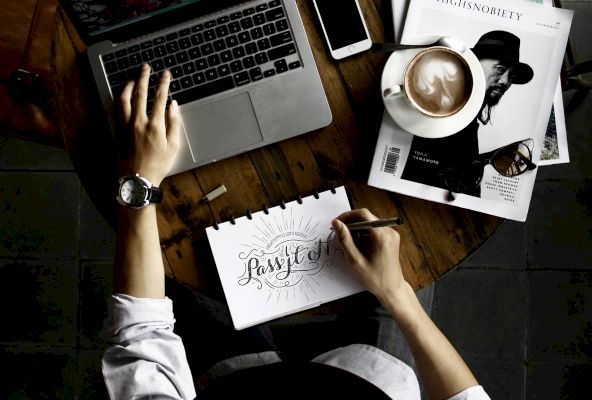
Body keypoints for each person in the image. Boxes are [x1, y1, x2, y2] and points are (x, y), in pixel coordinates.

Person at [101, 63, 492, 399]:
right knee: (410, 238)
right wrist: (395, 292)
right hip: (375, 375)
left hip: (236, 379)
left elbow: (141, 334)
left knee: (185, 276)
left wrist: (140, 180)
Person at [401, 30, 534, 198]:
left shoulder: (469, 123)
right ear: (474, 64)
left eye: (512, 75)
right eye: (500, 69)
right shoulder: (441, 112)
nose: (506, 81)